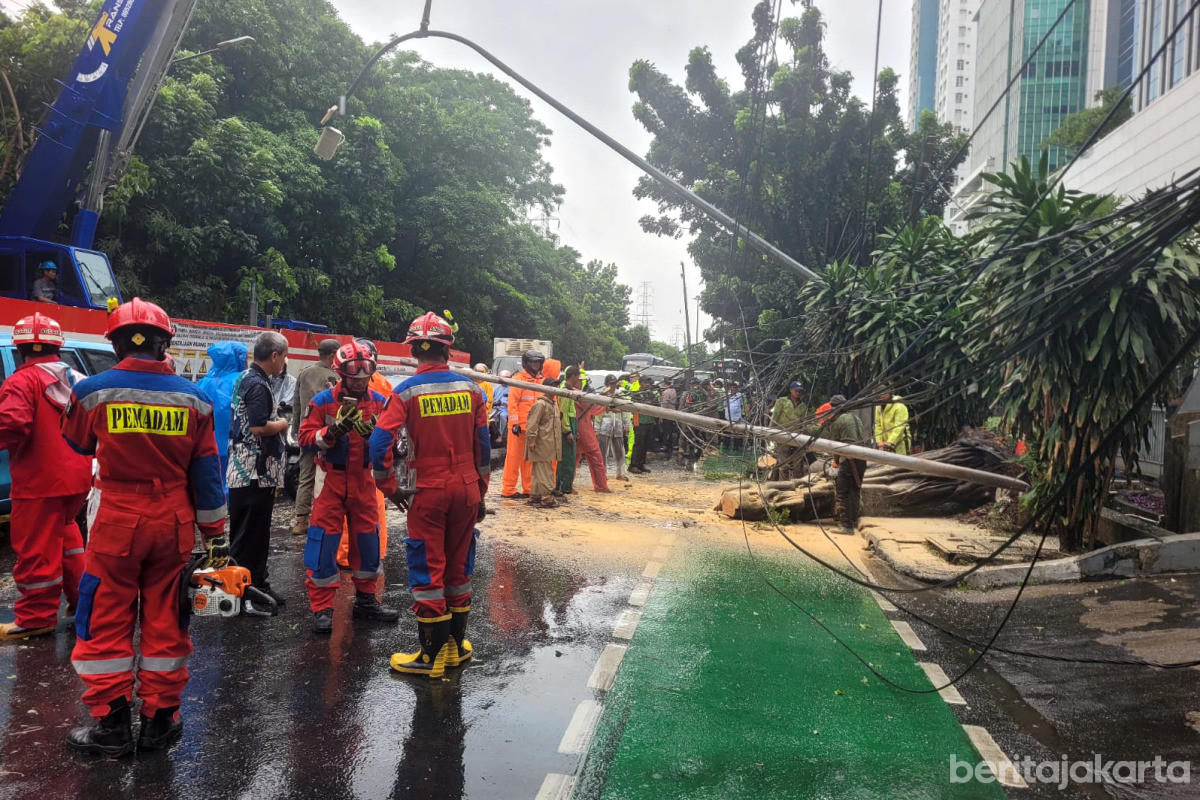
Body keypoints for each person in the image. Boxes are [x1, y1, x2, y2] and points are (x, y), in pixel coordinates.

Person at [61, 298, 226, 756]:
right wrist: (216, 538)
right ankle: (159, 722)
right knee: (167, 619)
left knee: (105, 616)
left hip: (116, 518)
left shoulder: (91, 391)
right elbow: (207, 475)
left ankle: (112, 726)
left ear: (116, 344)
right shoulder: (195, 398)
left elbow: (78, 445)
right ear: (163, 344)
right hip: (173, 521)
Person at [370, 312, 489, 678]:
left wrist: (389, 487)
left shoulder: (406, 392)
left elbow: (379, 443)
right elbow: (484, 446)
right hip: (466, 487)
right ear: (447, 350)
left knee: (428, 568)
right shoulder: (473, 390)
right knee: (458, 567)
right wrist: (480, 490)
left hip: (428, 490)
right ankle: (454, 647)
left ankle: (430, 657)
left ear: (414, 351)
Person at [0, 313, 91, 640]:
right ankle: (84, 603)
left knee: (36, 548)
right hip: (77, 477)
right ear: (57, 346)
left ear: (21, 348)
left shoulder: (22, 381)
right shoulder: (77, 378)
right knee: (67, 540)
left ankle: (36, 617)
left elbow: (12, 424)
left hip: (39, 481)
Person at [298, 341, 399, 635]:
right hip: (331, 479)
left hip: (364, 480)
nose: (360, 381)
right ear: (341, 373)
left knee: (368, 541)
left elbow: (395, 442)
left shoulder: (380, 402)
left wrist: (377, 437)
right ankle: (322, 609)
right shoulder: (322, 402)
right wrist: (332, 432)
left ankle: (366, 602)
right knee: (323, 543)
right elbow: (304, 438)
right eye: (354, 375)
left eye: (365, 375)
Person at [226, 331, 290, 616]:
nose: (284, 362)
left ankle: (258, 584)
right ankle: (241, 595)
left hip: (253, 472)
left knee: (257, 533)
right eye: (284, 356)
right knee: (248, 536)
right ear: (274, 356)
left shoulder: (249, 378)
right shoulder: (257, 384)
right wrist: (283, 424)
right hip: (252, 472)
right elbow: (258, 427)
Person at [291, 338, 340, 535]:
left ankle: (301, 520)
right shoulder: (335, 376)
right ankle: (326, 517)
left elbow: (296, 404)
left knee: (306, 476)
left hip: (307, 432)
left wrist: (297, 431)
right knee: (330, 476)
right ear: (332, 355)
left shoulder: (304, 373)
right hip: (329, 433)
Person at [196, 341, 248, 488]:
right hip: (233, 448)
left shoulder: (202, 383)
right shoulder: (242, 381)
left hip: (205, 448)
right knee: (231, 485)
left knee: (209, 486)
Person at [501, 350, 544, 498]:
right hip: (519, 427)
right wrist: (514, 423)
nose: (536, 364)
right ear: (527, 363)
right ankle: (508, 490)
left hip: (533, 428)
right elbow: (512, 403)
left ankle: (528, 488)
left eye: (538, 362)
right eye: (534, 362)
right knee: (513, 458)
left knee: (529, 460)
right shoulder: (518, 379)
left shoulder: (540, 381)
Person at [826, 395, 867, 534]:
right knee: (855, 491)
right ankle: (852, 522)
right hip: (861, 458)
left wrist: (836, 462)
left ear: (834, 408)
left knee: (842, 491)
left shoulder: (837, 421)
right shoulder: (856, 418)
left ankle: (846, 526)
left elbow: (835, 447)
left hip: (848, 460)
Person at [525, 378, 563, 508]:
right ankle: (546, 497)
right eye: (553, 386)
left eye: (556, 386)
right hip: (542, 443)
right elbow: (532, 424)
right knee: (545, 470)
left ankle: (535, 496)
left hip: (547, 443)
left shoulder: (552, 404)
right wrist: (531, 440)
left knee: (539, 470)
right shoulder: (541, 404)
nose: (555, 389)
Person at [771, 380, 809, 480]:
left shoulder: (803, 406)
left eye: (800, 391)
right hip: (783, 436)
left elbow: (804, 422)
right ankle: (783, 484)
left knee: (797, 464)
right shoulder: (782, 401)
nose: (798, 393)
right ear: (791, 390)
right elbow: (775, 417)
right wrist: (770, 432)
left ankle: (797, 484)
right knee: (784, 464)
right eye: (796, 391)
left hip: (797, 437)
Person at [574, 388, 610, 493]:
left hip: (575, 427)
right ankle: (601, 486)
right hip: (583, 428)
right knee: (595, 456)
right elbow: (594, 409)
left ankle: (565, 484)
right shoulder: (578, 394)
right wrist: (606, 407)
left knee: (573, 458)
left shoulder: (572, 391)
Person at [597, 375, 631, 482]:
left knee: (620, 450)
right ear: (606, 385)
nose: (612, 386)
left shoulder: (620, 395)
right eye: (610, 384)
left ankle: (621, 473)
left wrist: (627, 424)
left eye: (614, 383)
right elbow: (598, 413)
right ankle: (602, 474)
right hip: (604, 426)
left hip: (617, 425)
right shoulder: (602, 395)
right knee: (602, 451)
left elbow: (625, 411)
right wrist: (596, 428)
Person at [554, 365, 580, 497]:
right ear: (573, 376)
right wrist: (568, 431)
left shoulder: (569, 390)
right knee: (567, 458)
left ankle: (564, 485)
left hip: (571, 423)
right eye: (578, 377)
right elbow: (563, 412)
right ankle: (564, 487)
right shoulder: (565, 391)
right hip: (567, 425)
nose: (579, 380)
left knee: (569, 457)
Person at [629, 377, 659, 474]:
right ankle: (633, 465)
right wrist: (647, 403)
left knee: (646, 444)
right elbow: (633, 407)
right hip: (640, 422)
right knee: (638, 444)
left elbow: (657, 404)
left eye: (648, 383)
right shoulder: (636, 394)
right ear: (640, 383)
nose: (647, 385)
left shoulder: (650, 394)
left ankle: (641, 464)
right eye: (645, 383)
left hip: (649, 421)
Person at [658, 378, 679, 457]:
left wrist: (661, 416)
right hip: (672, 412)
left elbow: (664, 404)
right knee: (670, 430)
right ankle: (671, 445)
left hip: (666, 413)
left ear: (664, 383)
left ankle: (666, 445)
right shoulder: (673, 390)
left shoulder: (666, 392)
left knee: (666, 430)